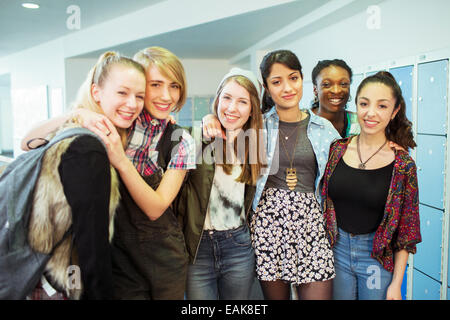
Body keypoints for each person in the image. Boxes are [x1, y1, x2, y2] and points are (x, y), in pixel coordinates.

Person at [21, 47, 196, 300]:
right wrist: (76, 114)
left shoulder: (181, 140)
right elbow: (27, 143)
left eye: (174, 86)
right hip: (116, 255)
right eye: (154, 85)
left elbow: (156, 208)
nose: (166, 95)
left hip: (164, 257)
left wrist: (121, 161)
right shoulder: (114, 123)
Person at [203, 50, 340, 300]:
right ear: (266, 87)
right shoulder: (258, 126)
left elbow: (348, 165)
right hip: (268, 226)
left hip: (311, 226)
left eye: (294, 78)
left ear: (302, 80)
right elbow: (228, 119)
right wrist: (209, 117)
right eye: (277, 82)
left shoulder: (324, 129)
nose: (287, 87)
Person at [25, 51, 146, 299]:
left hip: (42, 274)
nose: (133, 104)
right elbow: (91, 244)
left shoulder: (77, 133)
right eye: (122, 93)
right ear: (96, 93)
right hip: (62, 282)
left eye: (140, 96)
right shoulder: (88, 147)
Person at [321, 71, 421, 300]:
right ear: (356, 105)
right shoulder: (337, 149)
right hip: (337, 251)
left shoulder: (403, 164)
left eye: (382, 106)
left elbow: (407, 229)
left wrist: (397, 284)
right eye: (364, 103)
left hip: (375, 257)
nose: (371, 113)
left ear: (395, 111)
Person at [175, 68, 265, 299]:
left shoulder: (255, 145)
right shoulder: (195, 137)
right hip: (198, 248)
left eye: (242, 101)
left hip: (238, 246)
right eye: (226, 98)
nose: (232, 108)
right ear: (217, 100)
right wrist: (207, 120)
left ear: (253, 107)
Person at [311, 59, 359, 138]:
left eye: (343, 84)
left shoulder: (359, 122)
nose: (336, 91)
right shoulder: (302, 123)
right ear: (315, 89)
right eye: (327, 84)